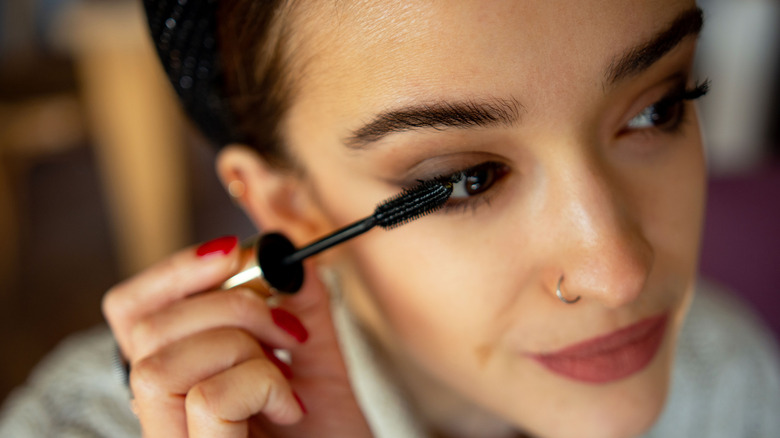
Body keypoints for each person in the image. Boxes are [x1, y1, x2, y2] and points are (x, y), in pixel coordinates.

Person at [1, 1, 779, 437]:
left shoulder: (729, 378)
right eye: (464, 183)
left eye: (658, 109)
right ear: (287, 208)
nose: (619, 271)